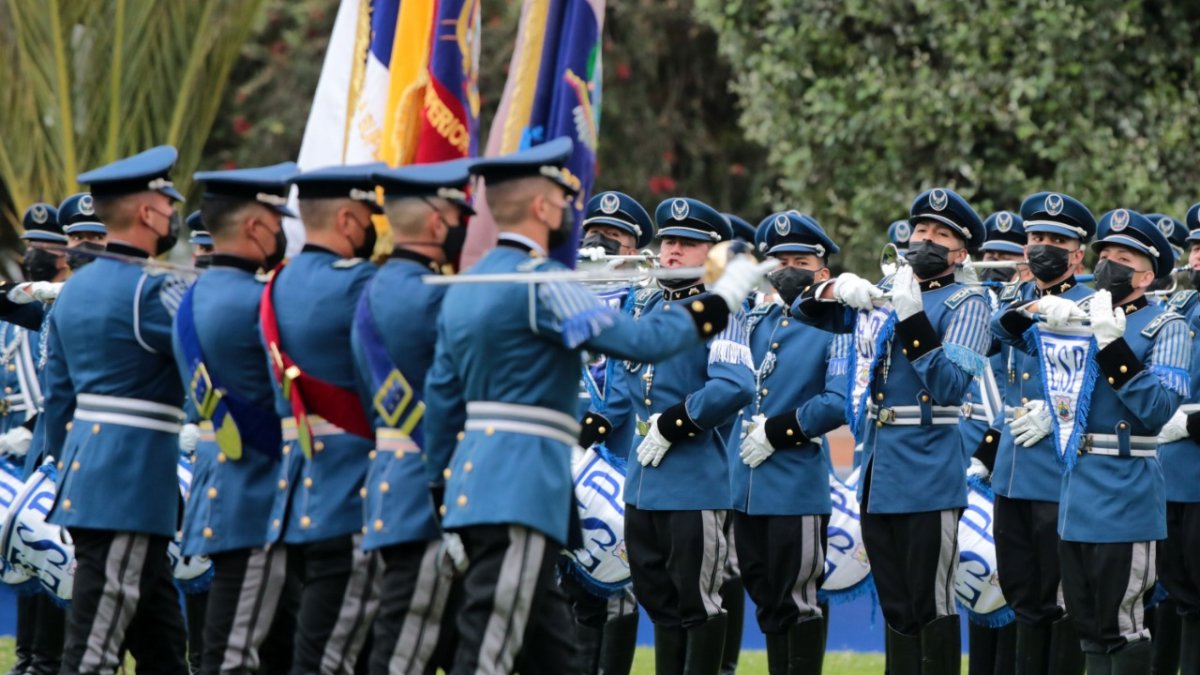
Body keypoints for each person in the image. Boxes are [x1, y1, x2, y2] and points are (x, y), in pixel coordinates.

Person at [422, 138, 772, 675]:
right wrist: (723, 298)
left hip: (472, 485)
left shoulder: (467, 285)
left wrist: (440, 496)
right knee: (491, 646)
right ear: (542, 206)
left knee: (549, 648)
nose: (572, 212)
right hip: (524, 486)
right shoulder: (547, 283)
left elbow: (442, 402)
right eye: (564, 199)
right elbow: (644, 342)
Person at [794, 187, 992, 675]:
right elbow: (802, 309)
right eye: (921, 229)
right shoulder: (885, 294)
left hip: (929, 469)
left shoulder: (969, 301)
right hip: (879, 471)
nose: (926, 240)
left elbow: (949, 386)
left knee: (931, 604)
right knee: (896, 604)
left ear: (960, 253)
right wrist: (834, 289)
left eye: (941, 235)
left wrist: (912, 318)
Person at [43, 145, 191, 674]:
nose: (172, 213)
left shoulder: (73, 292)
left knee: (162, 643)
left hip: (91, 480)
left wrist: (69, 470)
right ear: (148, 211)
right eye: (168, 203)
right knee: (95, 647)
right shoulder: (155, 289)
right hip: (130, 485)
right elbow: (207, 367)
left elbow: (58, 398)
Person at [619, 197, 756, 675]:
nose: (672, 251)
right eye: (668, 242)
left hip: (693, 482)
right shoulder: (647, 306)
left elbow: (736, 385)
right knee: (657, 600)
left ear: (711, 253)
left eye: (686, 243)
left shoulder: (723, 309)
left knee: (698, 604)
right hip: (642, 481)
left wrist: (674, 422)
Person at [1047, 208, 1187, 673]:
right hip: (1078, 491)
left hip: (1126, 489)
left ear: (1146, 276)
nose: (1109, 264)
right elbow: (1002, 334)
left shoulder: (1166, 327)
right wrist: (1038, 308)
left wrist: (1113, 347)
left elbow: (1158, 408)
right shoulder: (1081, 317)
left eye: (1124, 258)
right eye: (1105, 254)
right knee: (1085, 621)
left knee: (1122, 624)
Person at [350, 159, 474, 675]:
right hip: (434, 486)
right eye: (459, 216)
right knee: (406, 649)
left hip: (388, 482)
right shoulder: (438, 295)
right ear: (438, 222)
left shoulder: (371, 289)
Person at [175, 162, 300, 675]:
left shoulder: (192, 297)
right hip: (263, 489)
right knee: (239, 651)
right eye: (277, 222)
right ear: (255, 226)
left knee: (236, 640)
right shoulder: (263, 302)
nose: (281, 233)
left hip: (221, 482)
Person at [260, 162, 385, 673]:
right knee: (336, 655)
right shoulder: (363, 284)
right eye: (370, 217)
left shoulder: (275, 284)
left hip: (296, 491)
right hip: (354, 489)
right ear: (348, 220)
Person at [733, 211, 849, 674]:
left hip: (795, 483)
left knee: (797, 601)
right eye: (780, 261)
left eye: (801, 262)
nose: (788, 270)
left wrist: (778, 431)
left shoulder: (835, 324)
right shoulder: (754, 319)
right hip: (745, 485)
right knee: (765, 598)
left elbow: (837, 401)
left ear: (822, 272)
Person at [986, 193, 1096, 675]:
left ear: (1078, 255)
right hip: (1013, 467)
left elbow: (1103, 379)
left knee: (1060, 599)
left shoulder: (1090, 305)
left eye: (1056, 240)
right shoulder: (1012, 302)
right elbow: (981, 358)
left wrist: (1058, 414)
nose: (1043, 247)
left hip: (1058, 469)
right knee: (1021, 594)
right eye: (1036, 238)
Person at [568, 190, 657, 675]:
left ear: (632, 248)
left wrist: (589, 432)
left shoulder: (639, 299)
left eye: (612, 236)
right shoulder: (562, 292)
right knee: (566, 576)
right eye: (592, 233)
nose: (598, 243)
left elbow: (625, 387)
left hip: (613, 453)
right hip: (562, 450)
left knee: (614, 578)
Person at [957, 210, 1028, 675]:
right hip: (971, 458)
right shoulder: (975, 303)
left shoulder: (1028, 305)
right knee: (979, 589)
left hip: (1013, 453)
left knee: (1015, 588)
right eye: (991, 254)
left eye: (1006, 254)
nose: (996, 262)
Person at [1149, 203, 1200, 674]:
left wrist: (1190, 422)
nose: (1197, 257)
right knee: (1181, 595)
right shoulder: (1180, 310)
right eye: (1196, 247)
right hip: (1170, 478)